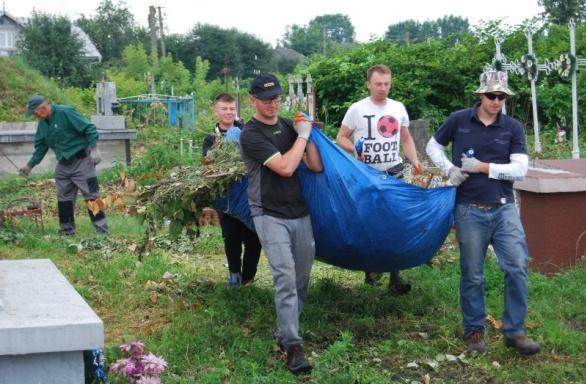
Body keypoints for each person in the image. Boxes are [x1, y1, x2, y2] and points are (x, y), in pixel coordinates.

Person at [425, 70, 540, 355]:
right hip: (468, 209)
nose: (497, 101)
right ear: (480, 95)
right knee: (472, 274)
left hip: (504, 209)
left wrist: (485, 168)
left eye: (502, 96)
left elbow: (521, 169)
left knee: (517, 267)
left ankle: (515, 332)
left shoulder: (512, 128)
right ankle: (475, 332)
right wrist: (449, 169)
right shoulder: (459, 120)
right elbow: (432, 146)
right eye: (492, 95)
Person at [240, 73, 323, 373]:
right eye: (265, 99)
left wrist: (309, 133)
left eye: (276, 97)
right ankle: (293, 345)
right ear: (252, 100)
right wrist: (301, 136)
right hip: (269, 214)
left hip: (298, 212)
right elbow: (286, 168)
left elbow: (314, 165)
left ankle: (285, 330)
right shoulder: (250, 134)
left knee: (301, 279)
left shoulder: (289, 126)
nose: (273, 103)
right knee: (285, 277)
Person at [336, 64, 421, 294]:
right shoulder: (357, 109)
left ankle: (395, 276)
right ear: (369, 84)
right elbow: (340, 138)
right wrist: (354, 149)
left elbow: (406, 139)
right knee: (370, 223)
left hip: (394, 171)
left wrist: (414, 160)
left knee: (396, 223)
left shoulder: (398, 108)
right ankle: (371, 274)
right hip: (366, 175)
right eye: (378, 84)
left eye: (386, 84)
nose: (383, 88)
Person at [18, 96, 108, 236]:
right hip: (64, 164)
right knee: (64, 198)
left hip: (82, 161)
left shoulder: (65, 112)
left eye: (35, 113)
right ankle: (67, 231)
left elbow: (89, 127)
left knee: (92, 196)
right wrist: (29, 166)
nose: (34, 116)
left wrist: (94, 148)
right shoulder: (43, 124)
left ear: (43, 108)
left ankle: (102, 230)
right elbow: (41, 146)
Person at [202, 93, 262, 287]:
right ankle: (234, 275)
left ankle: (248, 279)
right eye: (224, 109)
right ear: (216, 110)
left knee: (254, 238)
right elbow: (208, 165)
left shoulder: (246, 132)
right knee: (231, 236)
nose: (228, 112)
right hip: (226, 198)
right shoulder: (211, 139)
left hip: (248, 195)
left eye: (231, 109)